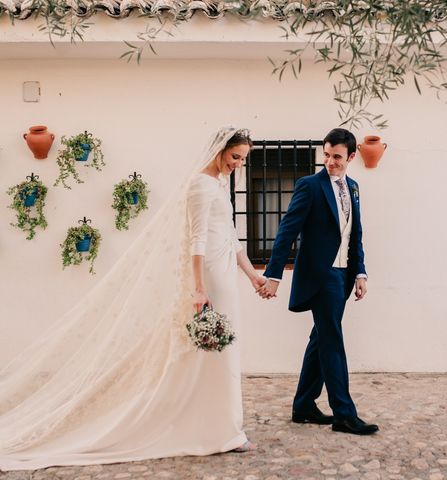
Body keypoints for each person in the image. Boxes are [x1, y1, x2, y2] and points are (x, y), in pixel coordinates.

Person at [0, 127, 261, 471]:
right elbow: (197, 239)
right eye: (234, 157)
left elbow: (231, 237)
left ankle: (221, 426)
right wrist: (198, 288)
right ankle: (221, 430)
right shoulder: (200, 184)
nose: (237, 165)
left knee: (222, 350)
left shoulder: (218, 184)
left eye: (243, 159)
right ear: (219, 152)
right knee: (212, 350)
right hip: (210, 273)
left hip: (225, 271)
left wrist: (253, 275)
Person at [259, 128, 379, 435]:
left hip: (343, 276)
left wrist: (361, 272)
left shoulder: (353, 187)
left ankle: (303, 406)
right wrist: (273, 275)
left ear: (351, 157)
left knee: (321, 339)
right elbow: (287, 230)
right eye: (326, 155)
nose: (330, 162)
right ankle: (344, 413)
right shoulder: (309, 186)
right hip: (321, 275)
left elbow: (355, 235)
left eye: (337, 157)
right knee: (332, 342)